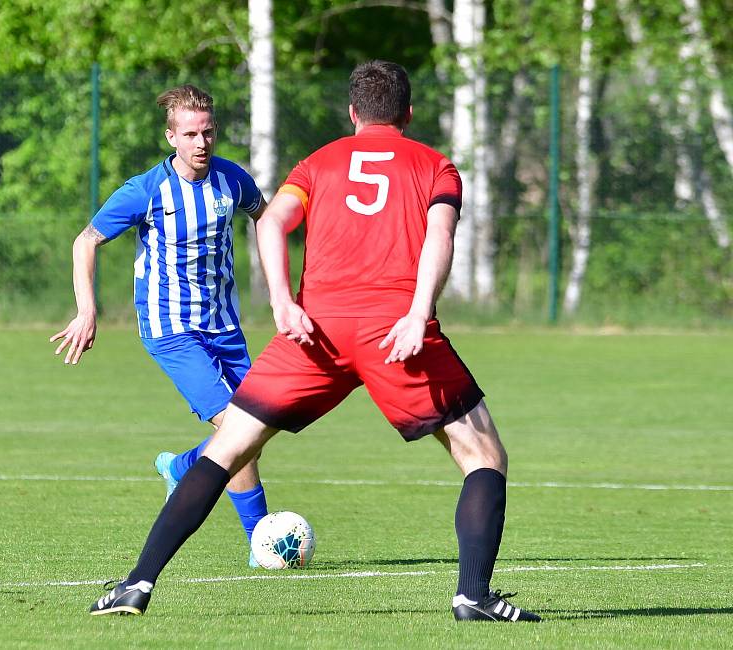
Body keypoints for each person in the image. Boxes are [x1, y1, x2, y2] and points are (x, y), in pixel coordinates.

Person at [87, 61, 540, 622]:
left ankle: (137, 584)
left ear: (353, 113)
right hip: (393, 330)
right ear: (409, 113)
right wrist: (419, 311)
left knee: (226, 449)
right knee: (483, 456)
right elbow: (441, 236)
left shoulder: (318, 162)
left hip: (315, 330)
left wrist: (282, 301)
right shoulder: (436, 166)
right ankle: (473, 597)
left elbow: (272, 222)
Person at [50, 84, 268, 566]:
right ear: (171, 137)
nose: (201, 142)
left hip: (225, 327)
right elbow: (84, 242)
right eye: (190, 133)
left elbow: (266, 219)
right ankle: (262, 544)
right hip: (170, 330)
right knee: (237, 426)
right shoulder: (146, 190)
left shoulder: (233, 180)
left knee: (254, 428)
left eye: (208, 132)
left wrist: (285, 289)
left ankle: (183, 465)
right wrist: (88, 310)